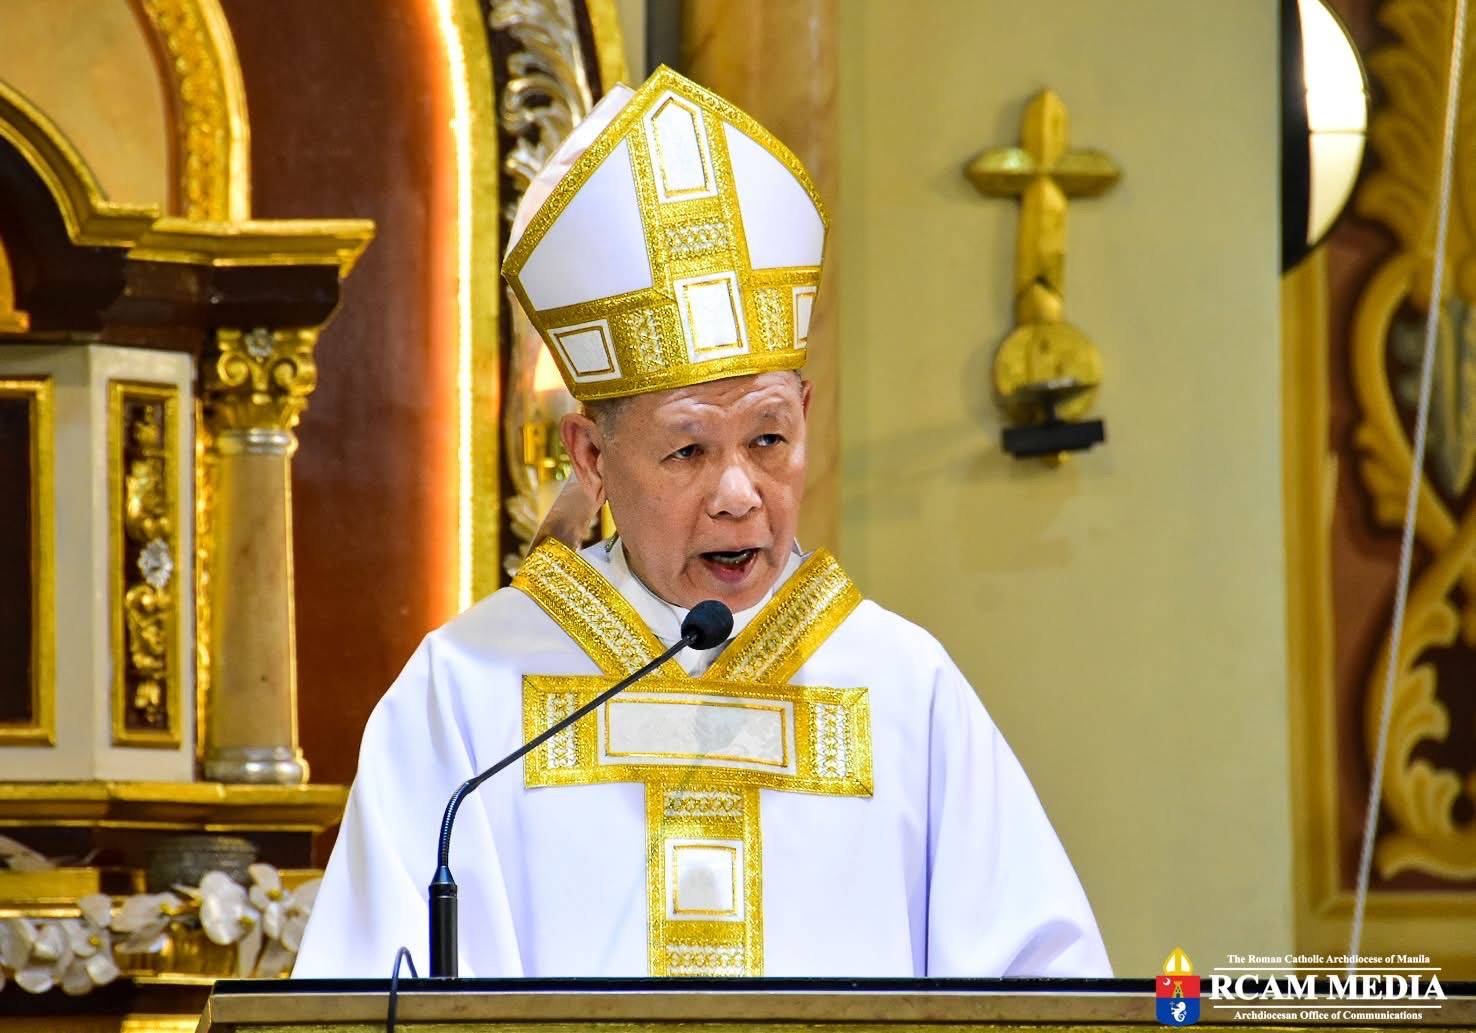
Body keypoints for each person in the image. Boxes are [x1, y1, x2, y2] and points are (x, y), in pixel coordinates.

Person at [293, 66, 1110, 979]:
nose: (738, 492)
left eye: (768, 438)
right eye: (687, 452)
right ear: (592, 457)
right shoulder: (467, 696)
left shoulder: (905, 690)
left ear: (806, 411)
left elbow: (1044, 980)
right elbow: (371, 988)